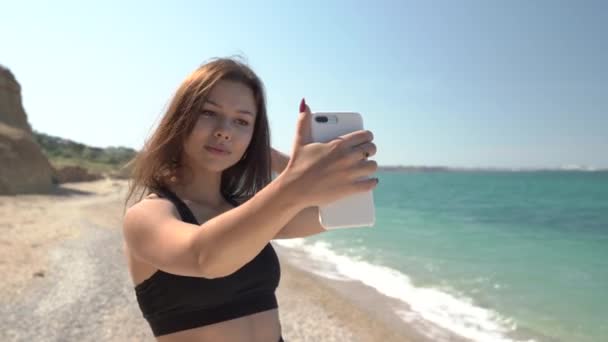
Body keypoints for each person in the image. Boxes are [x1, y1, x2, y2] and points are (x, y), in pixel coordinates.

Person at [122, 57, 378, 342]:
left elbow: (346, 210)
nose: (225, 130)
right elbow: (206, 257)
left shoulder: (245, 210)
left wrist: (285, 161)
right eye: (208, 112)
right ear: (180, 119)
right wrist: (294, 181)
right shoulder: (146, 216)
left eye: (242, 121)